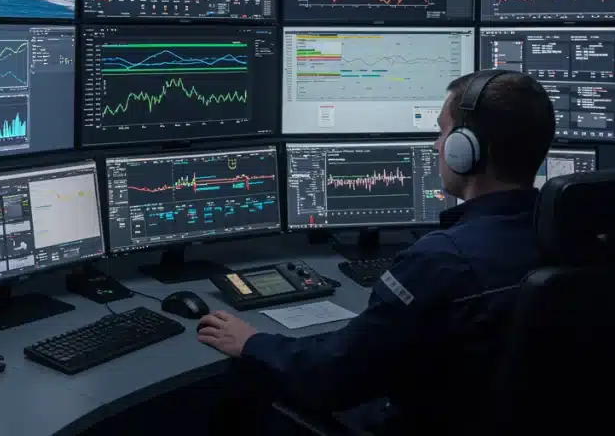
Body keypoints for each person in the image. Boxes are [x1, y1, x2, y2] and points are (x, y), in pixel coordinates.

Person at [197, 70, 556, 435]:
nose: (436, 146)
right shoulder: (567, 240)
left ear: (467, 150)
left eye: (443, 132)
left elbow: (332, 378)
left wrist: (253, 342)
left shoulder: (441, 260)